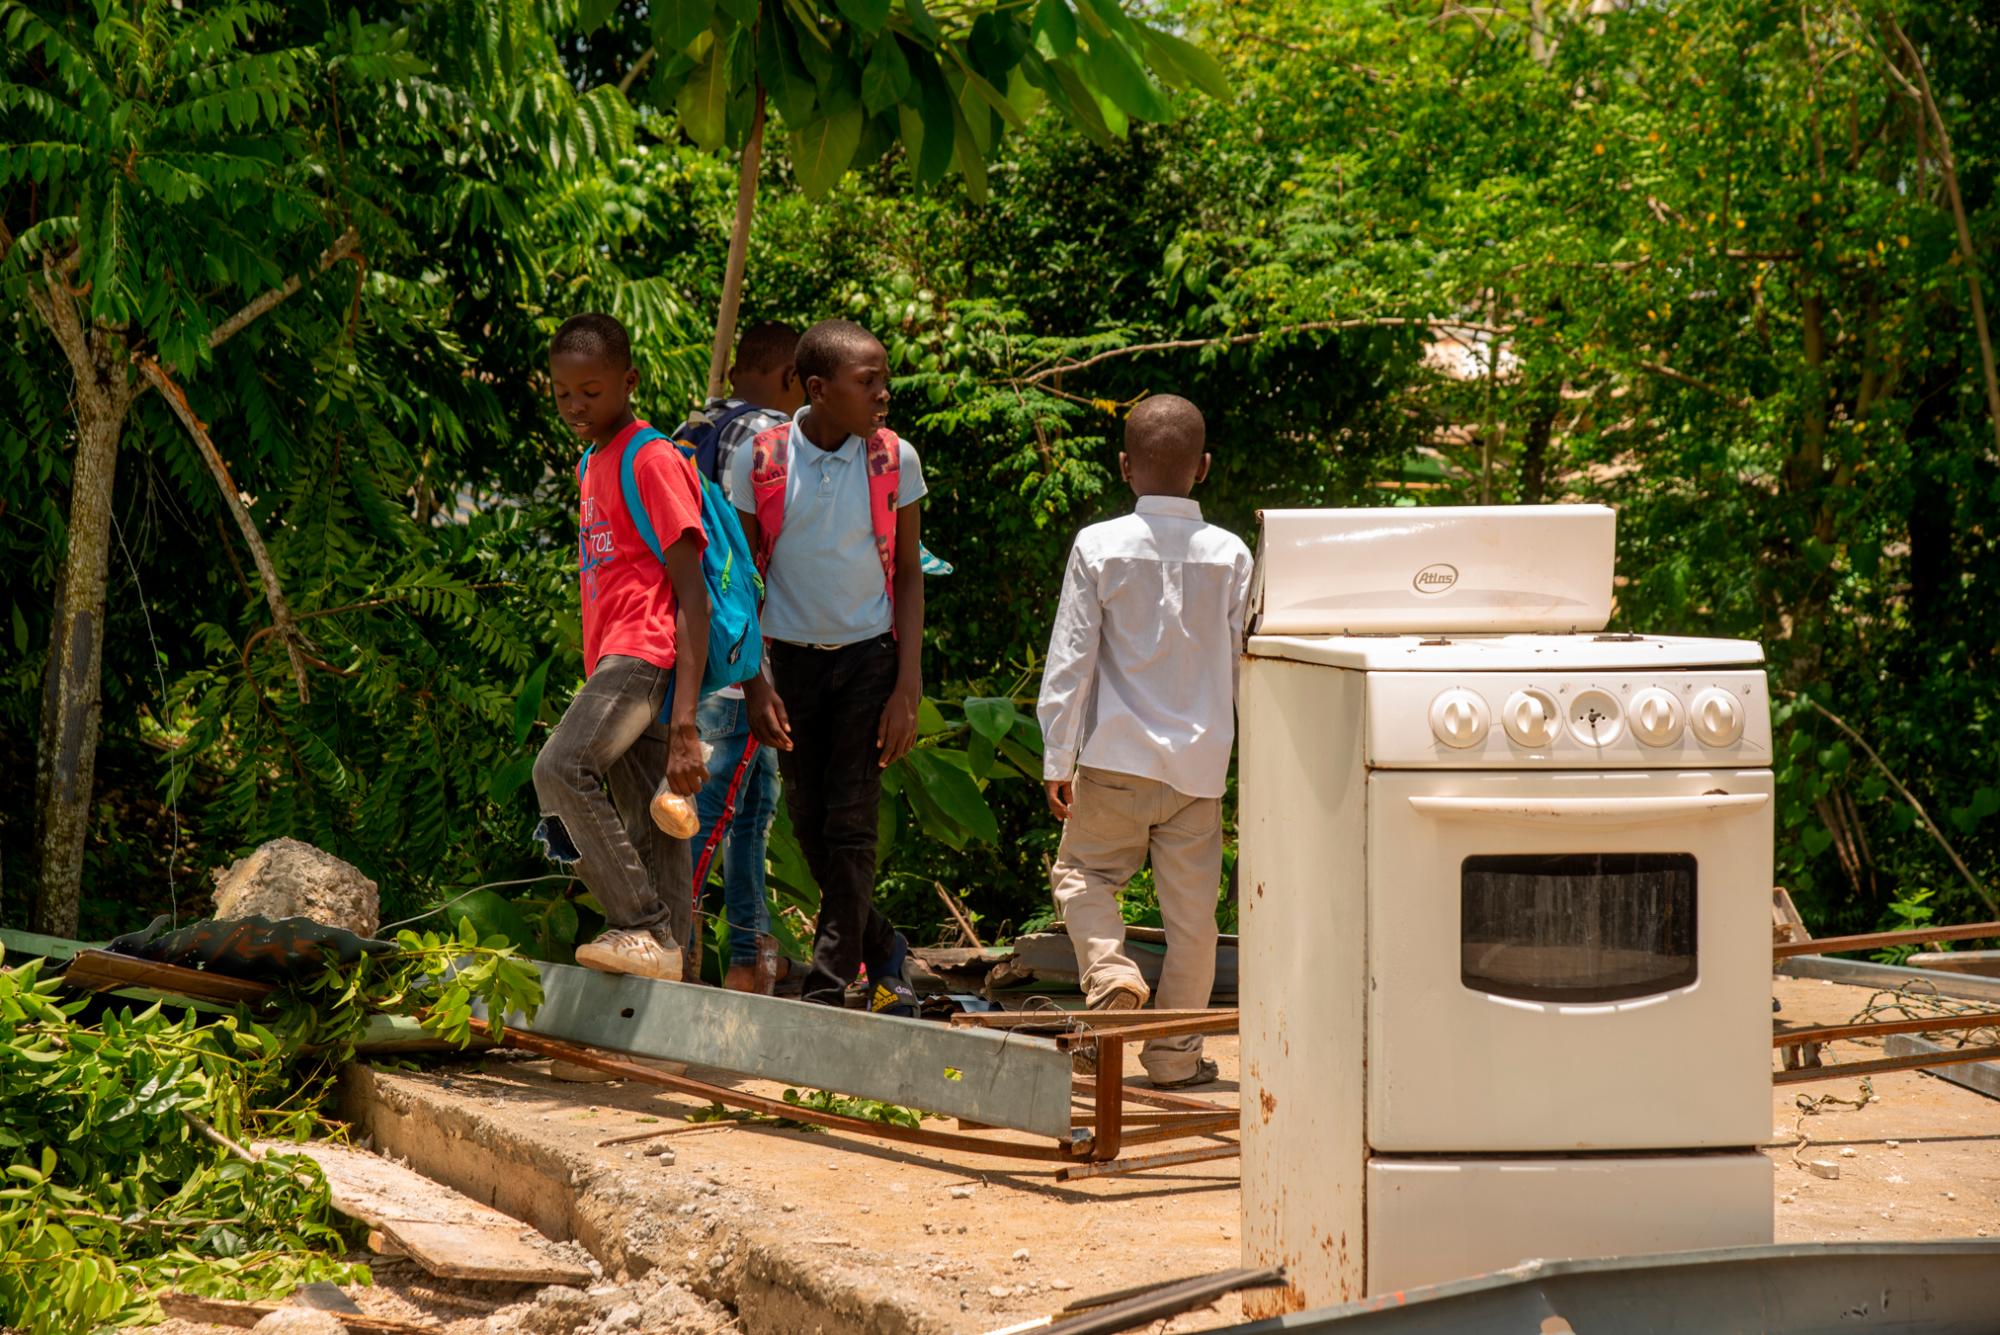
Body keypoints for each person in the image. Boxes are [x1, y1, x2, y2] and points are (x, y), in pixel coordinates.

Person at [1037, 395, 1252, 1088]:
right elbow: (1249, 663)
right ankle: (1175, 1057)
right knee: (1192, 923)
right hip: (1197, 771)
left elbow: (1071, 658)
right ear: (1205, 468)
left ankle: (1110, 972)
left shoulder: (1098, 545)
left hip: (1113, 761)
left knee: (1082, 876)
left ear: (1124, 465)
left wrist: (1055, 755)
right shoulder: (1231, 554)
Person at [729, 318, 926, 1011]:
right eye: (867, 382)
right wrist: (755, 682)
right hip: (790, 667)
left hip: (870, 661)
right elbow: (741, 581)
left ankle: (831, 979)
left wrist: (908, 683)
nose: (883, 393)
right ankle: (884, 945)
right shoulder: (761, 459)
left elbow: (907, 575)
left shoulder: (893, 458)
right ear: (818, 388)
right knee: (809, 824)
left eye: (884, 379)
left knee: (850, 823)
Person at [532, 312, 709, 982]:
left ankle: (641, 925)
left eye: (592, 390)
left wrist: (686, 722)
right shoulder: (591, 461)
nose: (575, 405)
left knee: (559, 769)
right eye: (563, 392)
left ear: (629, 382)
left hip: (645, 653)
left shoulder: (651, 457)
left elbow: (692, 595)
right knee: (652, 829)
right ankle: (664, 994)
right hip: (617, 655)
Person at [684, 320, 802, 991]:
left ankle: (748, 960)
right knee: (713, 811)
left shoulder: (694, 427)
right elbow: (754, 554)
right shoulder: (768, 438)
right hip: (743, 654)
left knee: (752, 809)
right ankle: (672, 948)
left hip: (700, 647)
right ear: (791, 379)